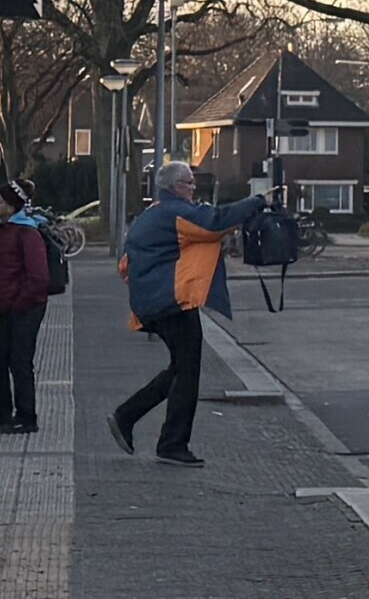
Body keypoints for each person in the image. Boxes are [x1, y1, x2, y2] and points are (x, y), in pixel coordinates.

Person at [110, 162, 267, 463]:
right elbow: (213, 222)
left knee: (181, 369)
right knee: (187, 371)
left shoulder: (152, 214)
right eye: (189, 183)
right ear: (174, 186)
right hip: (171, 302)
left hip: (155, 302)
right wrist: (256, 202)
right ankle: (169, 443)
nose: (194, 188)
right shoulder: (175, 212)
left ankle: (128, 418)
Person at [0, 179, 58, 433]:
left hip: (24, 309)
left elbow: (39, 277)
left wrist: (20, 302)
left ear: (12, 207)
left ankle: (26, 416)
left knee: (20, 361)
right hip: (7, 308)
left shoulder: (27, 233)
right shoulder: (6, 230)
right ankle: (1, 412)